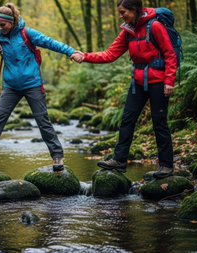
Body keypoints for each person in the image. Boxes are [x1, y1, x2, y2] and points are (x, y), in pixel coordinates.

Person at [0, 3, 80, 171]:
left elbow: (50, 43)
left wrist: (71, 52)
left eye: (2, 25)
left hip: (32, 84)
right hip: (11, 86)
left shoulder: (27, 33)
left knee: (42, 121)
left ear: (12, 21)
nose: (0, 28)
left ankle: (57, 157)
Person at [73, 0, 176, 178]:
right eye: (120, 13)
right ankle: (119, 160)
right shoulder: (128, 31)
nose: (121, 16)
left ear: (135, 10)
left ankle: (166, 165)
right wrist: (85, 56)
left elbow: (169, 54)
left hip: (158, 81)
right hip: (138, 82)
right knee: (127, 119)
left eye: (123, 12)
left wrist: (169, 81)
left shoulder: (156, 26)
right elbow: (110, 54)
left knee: (159, 122)